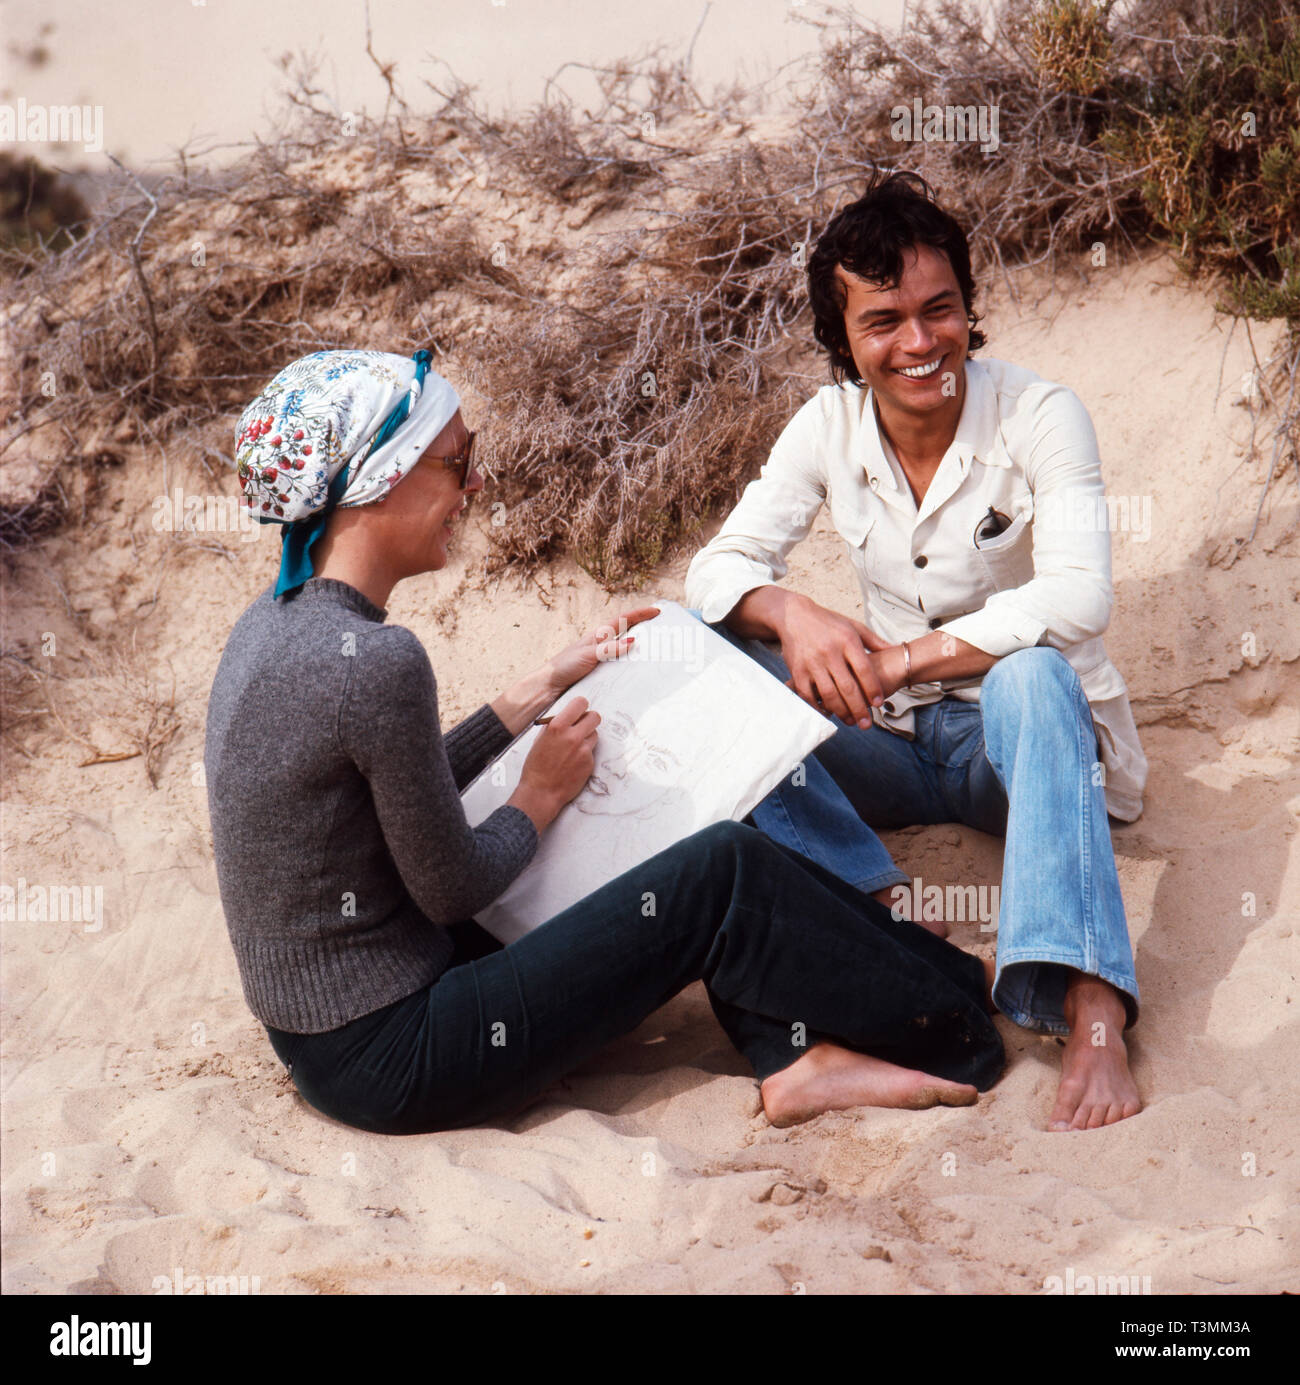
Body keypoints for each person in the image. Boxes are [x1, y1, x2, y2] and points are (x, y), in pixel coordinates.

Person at [204, 348, 1004, 1136]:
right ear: (382, 479)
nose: (474, 483)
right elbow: (455, 887)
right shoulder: (378, 663)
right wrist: (538, 795)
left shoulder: (272, 626)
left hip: (331, 1028)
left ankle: (794, 1055)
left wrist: (542, 686)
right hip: (397, 1050)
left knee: (662, 815)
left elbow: (387, 790)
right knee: (719, 870)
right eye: (456, 461)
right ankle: (964, 1012)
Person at [685, 171, 1148, 1132]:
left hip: (1020, 748)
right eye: (884, 319)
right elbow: (713, 571)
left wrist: (904, 659)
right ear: (845, 342)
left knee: (1029, 668)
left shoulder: (1039, 413)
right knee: (704, 655)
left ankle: (1091, 1000)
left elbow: (1079, 596)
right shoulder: (828, 425)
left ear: (970, 311)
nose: (919, 342)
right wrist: (790, 610)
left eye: (940, 309)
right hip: (889, 747)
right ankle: (886, 904)